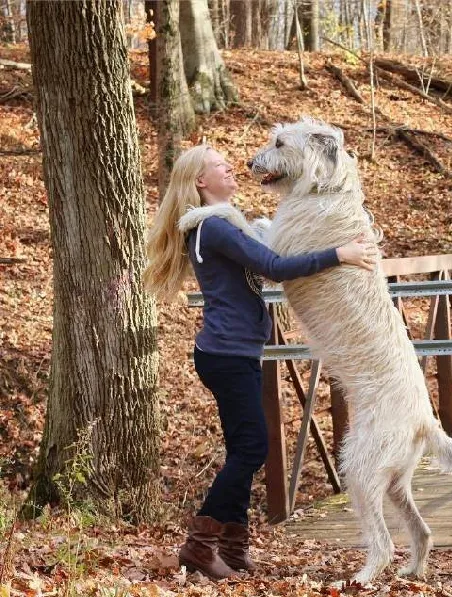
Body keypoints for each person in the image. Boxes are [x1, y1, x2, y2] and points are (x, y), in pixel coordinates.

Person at [143, 144, 378, 580]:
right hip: (227, 354)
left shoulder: (220, 226)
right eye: (219, 165)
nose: (230, 167)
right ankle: (199, 544)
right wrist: (338, 255)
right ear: (200, 181)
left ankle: (232, 547)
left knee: (243, 447)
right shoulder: (214, 227)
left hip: (230, 353)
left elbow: (266, 261)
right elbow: (275, 266)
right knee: (253, 446)